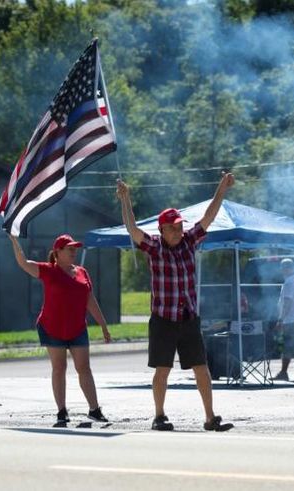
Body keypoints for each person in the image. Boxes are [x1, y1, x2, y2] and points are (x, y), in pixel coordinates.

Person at [116, 173, 235, 432]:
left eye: (180, 226)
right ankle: (159, 416)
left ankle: (210, 417)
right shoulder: (154, 247)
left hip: (188, 317)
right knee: (162, 369)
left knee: (202, 368)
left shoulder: (189, 243)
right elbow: (133, 230)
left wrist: (221, 189)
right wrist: (126, 200)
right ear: (162, 229)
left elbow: (209, 217)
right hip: (163, 320)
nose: (178, 230)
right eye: (173, 227)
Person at [9, 233, 112, 426]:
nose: (74, 251)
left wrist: (103, 325)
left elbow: (90, 300)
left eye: (75, 248)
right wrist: (15, 241)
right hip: (52, 327)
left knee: (84, 368)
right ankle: (62, 412)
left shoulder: (82, 272)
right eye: (70, 248)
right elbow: (23, 263)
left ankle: (94, 410)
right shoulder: (48, 270)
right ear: (58, 252)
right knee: (59, 368)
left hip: (77, 327)